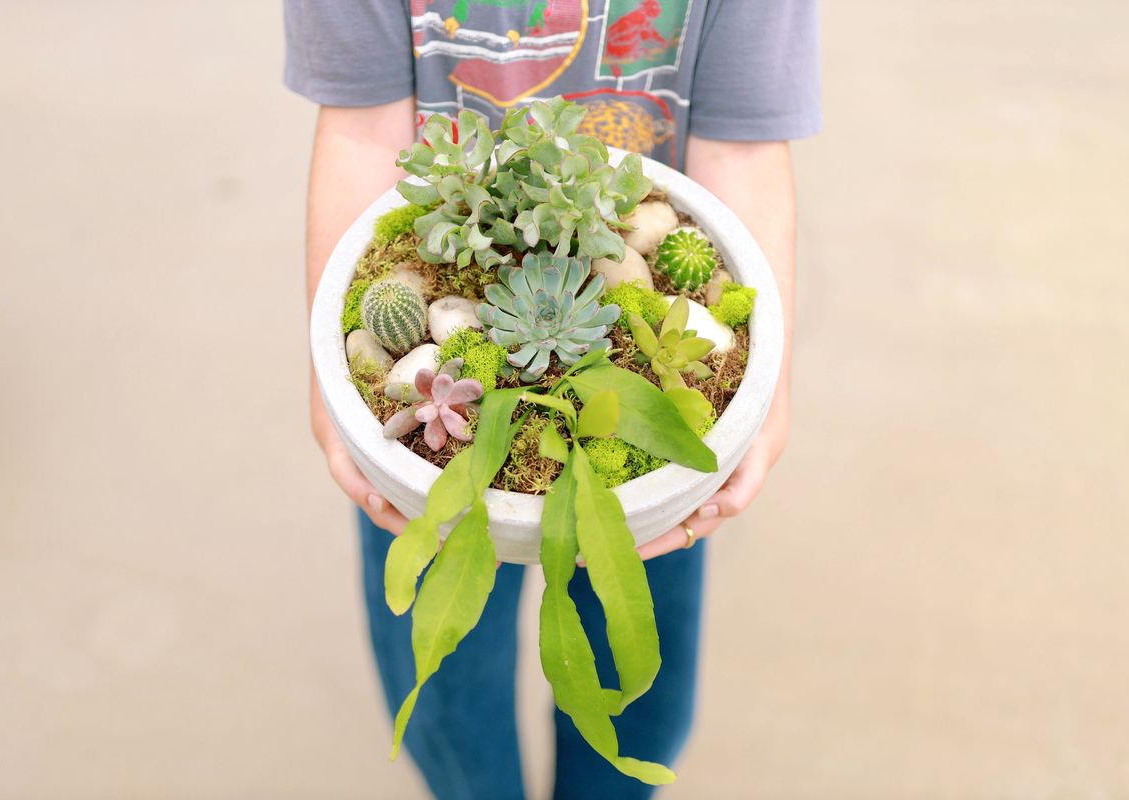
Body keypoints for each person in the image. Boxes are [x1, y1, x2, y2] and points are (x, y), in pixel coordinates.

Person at [286, 1, 820, 796]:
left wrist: (764, 393)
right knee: (447, 684)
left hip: (643, 456)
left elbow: (741, 145)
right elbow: (363, 132)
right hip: (437, 388)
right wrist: (333, 383)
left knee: (637, 662)